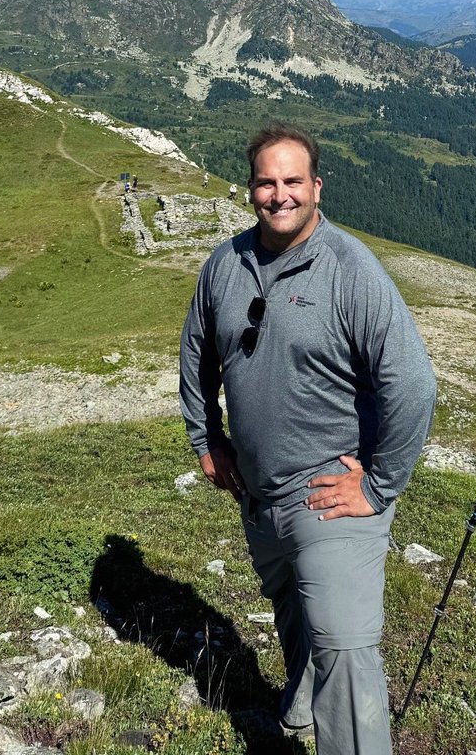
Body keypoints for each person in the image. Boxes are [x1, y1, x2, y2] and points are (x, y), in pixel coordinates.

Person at [180, 122, 436, 755]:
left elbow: (412, 383)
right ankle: (299, 707)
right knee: (291, 602)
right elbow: (197, 354)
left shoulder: (350, 269)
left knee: (343, 649)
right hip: (259, 493)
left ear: (317, 187)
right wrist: (207, 440)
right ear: (250, 190)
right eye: (266, 183)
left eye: (292, 181)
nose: (280, 195)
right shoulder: (226, 265)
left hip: (329, 491)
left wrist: (378, 486)